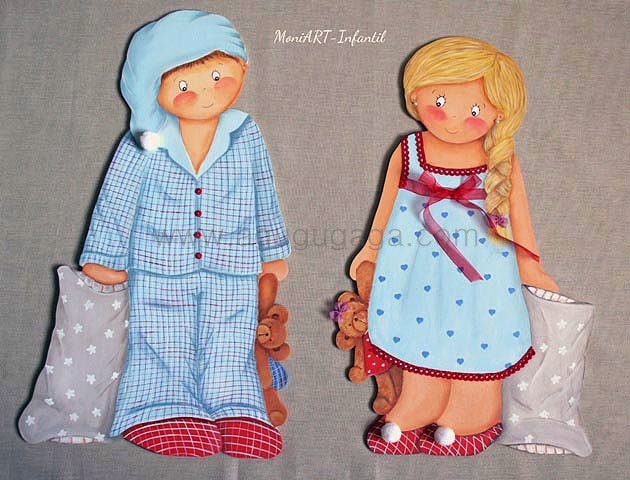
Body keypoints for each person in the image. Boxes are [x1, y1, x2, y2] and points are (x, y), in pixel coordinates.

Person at [80, 10, 290, 458]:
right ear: (152, 89)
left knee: (231, 336)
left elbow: (263, 190)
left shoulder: (245, 132)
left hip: (234, 263)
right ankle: (158, 408)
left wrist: (272, 249)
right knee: (161, 338)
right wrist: (105, 256)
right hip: (158, 263)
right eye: (182, 85)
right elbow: (117, 197)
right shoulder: (145, 140)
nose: (205, 94)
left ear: (242, 68)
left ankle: (237, 406)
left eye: (217, 76)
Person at [349, 36, 558, 456]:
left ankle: (474, 409)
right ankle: (419, 400)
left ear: (500, 112)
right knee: (420, 328)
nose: (454, 120)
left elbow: (519, 216)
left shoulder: (500, 157)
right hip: (415, 264)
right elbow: (386, 205)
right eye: (440, 101)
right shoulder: (408, 150)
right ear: (415, 95)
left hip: (483, 271)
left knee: (476, 332)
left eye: (475, 110)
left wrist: (531, 266)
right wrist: (370, 250)